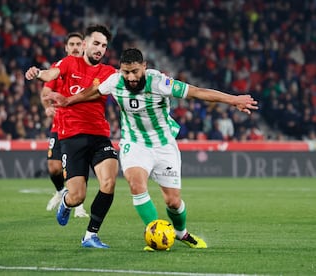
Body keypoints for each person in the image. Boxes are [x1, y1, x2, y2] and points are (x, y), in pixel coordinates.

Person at [45, 48, 259, 250]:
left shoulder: (159, 82)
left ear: (144, 67)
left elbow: (196, 92)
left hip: (164, 145)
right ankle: (155, 232)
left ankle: (181, 233)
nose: (130, 77)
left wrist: (233, 100)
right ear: (121, 70)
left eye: (135, 71)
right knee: (136, 185)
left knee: (173, 202)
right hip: (134, 143)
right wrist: (68, 100)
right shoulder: (115, 81)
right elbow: (92, 91)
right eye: (126, 72)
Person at [25, 25, 118, 248]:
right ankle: (66, 203)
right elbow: (51, 74)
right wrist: (38, 73)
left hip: (99, 135)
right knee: (78, 196)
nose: (100, 49)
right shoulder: (69, 63)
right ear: (85, 44)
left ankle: (90, 236)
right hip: (72, 136)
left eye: (104, 46)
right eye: (96, 43)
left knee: (109, 182)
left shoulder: (109, 72)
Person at [41, 32, 88, 218]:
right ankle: (62, 193)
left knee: (79, 166)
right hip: (59, 124)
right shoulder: (58, 67)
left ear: (84, 46)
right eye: (72, 44)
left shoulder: (89, 67)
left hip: (82, 125)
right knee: (54, 167)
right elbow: (45, 90)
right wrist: (46, 107)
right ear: (66, 48)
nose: (75, 47)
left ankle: (79, 206)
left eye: (78, 44)